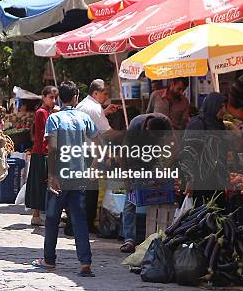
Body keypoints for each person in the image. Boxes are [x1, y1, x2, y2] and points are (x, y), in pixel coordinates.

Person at [31, 81, 98, 277]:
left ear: (60, 97)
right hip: (78, 176)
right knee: (79, 220)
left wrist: (51, 175)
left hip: (59, 176)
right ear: (76, 97)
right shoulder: (84, 118)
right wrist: (92, 167)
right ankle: (85, 263)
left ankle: (48, 260)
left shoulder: (54, 119)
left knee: (52, 219)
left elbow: (52, 150)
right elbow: (99, 142)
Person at [119, 113, 174, 254]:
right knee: (130, 200)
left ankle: (158, 235)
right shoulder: (135, 126)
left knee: (159, 196)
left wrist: (166, 169)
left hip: (155, 161)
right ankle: (129, 239)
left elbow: (175, 146)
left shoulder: (165, 122)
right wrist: (127, 180)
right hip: (135, 159)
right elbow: (123, 154)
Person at [75, 79, 121, 234]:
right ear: (96, 93)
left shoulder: (84, 104)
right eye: (105, 93)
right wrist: (126, 133)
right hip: (90, 152)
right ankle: (87, 224)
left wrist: (105, 111)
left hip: (80, 150)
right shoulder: (94, 108)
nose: (106, 96)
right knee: (91, 190)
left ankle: (78, 222)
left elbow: (93, 120)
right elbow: (107, 133)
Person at [179, 92, 230, 208]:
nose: (224, 110)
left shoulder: (219, 125)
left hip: (216, 182)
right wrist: (189, 179)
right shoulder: (197, 124)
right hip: (199, 182)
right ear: (212, 106)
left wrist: (226, 179)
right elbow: (188, 152)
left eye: (224, 106)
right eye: (220, 106)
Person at [25, 85, 58, 227]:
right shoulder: (41, 112)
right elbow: (47, 134)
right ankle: (36, 215)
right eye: (51, 97)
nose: (53, 100)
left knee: (42, 184)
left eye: (55, 98)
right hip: (41, 152)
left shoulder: (47, 112)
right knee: (41, 184)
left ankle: (38, 215)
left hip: (44, 152)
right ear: (44, 97)